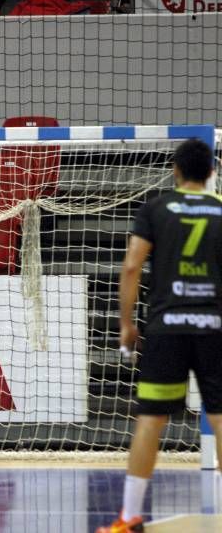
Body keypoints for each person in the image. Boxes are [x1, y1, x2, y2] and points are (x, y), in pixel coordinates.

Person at [96, 139, 222, 533]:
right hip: (215, 327)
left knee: (151, 420)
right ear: (212, 172)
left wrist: (126, 324)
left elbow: (132, 267)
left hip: (167, 328)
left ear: (175, 170)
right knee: (220, 417)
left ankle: (129, 516)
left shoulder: (155, 208)